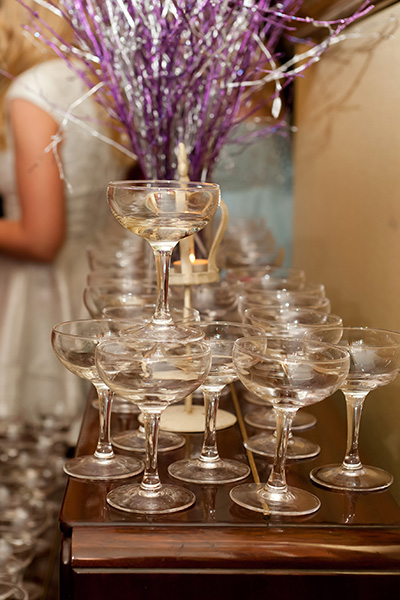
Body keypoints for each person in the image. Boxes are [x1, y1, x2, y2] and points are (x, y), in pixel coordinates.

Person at [0, 1, 128, 438]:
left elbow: (41, 239)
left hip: (42, 300)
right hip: (90, 284)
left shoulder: (34, 91)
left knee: (38, 444)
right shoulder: (93, 82)